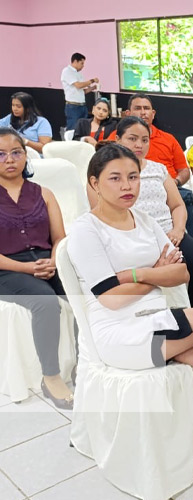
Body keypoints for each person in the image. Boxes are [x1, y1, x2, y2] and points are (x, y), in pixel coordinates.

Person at [67, 143, 193, 494]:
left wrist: (130, 275)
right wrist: (151, 272)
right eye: (114, 178)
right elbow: (110, 299)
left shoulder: (145, 220)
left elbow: (181, 273)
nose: (126, 185)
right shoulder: (86, 230)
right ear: (94, 183)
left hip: (158, 321)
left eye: (133, 176)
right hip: (121, 337)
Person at [89, 117, 193, 308]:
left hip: (169, 234)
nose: (139, 145)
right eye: (132, 138)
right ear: (118, 139)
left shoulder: (158, 169)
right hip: (135, 236)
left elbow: (177, 206)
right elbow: (100, 213)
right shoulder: (105, 174)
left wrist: (178, 230)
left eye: (144, 140)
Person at [0, 127, 73, 409]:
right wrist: (29, 269)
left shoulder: (43, 193)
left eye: (16, 152)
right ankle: (51, 376)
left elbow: (60, 238)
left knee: (83, 292)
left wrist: (55, 260)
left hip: (47, 260)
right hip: (7, 269)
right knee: (45, 302)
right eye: (1, 154)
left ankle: (87, 361)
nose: (10, 159)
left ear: (26, 156)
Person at [107, 94, 193, 245]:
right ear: (128, 113)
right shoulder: (116, 137)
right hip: (137, 194)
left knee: (190, 199)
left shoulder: (168, 139)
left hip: (170, 185)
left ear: (153, 113)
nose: (143, 112)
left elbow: (184, 170)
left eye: (147, 108)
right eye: (138, 108)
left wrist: (175, 182)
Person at [60, 52, 99, 130]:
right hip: (73, 106)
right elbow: (78, 85)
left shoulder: (79, 74)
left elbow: (82, 91)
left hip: (82, 105)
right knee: (73, 129)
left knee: (82, 128)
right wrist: (92, 80)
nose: (83, 66)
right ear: (75, 61)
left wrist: (92, 88)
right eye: (82, 63)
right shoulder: (67, 71)